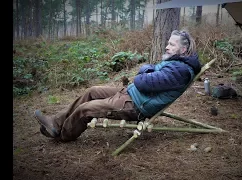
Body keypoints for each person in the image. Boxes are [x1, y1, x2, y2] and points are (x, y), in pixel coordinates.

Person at [34, 29, 202, 142]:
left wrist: (144, 71)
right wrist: (146, 70)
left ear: (184, 49)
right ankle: (55, 123)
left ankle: (63, 135)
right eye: (168, 43)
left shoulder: (179, 71)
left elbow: (142, 82)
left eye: (172, 44)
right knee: (92, 91)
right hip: (130, 94)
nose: (167, 46)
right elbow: (147, 73)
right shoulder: (176, 64)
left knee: (85, 109)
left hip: (135, 105)